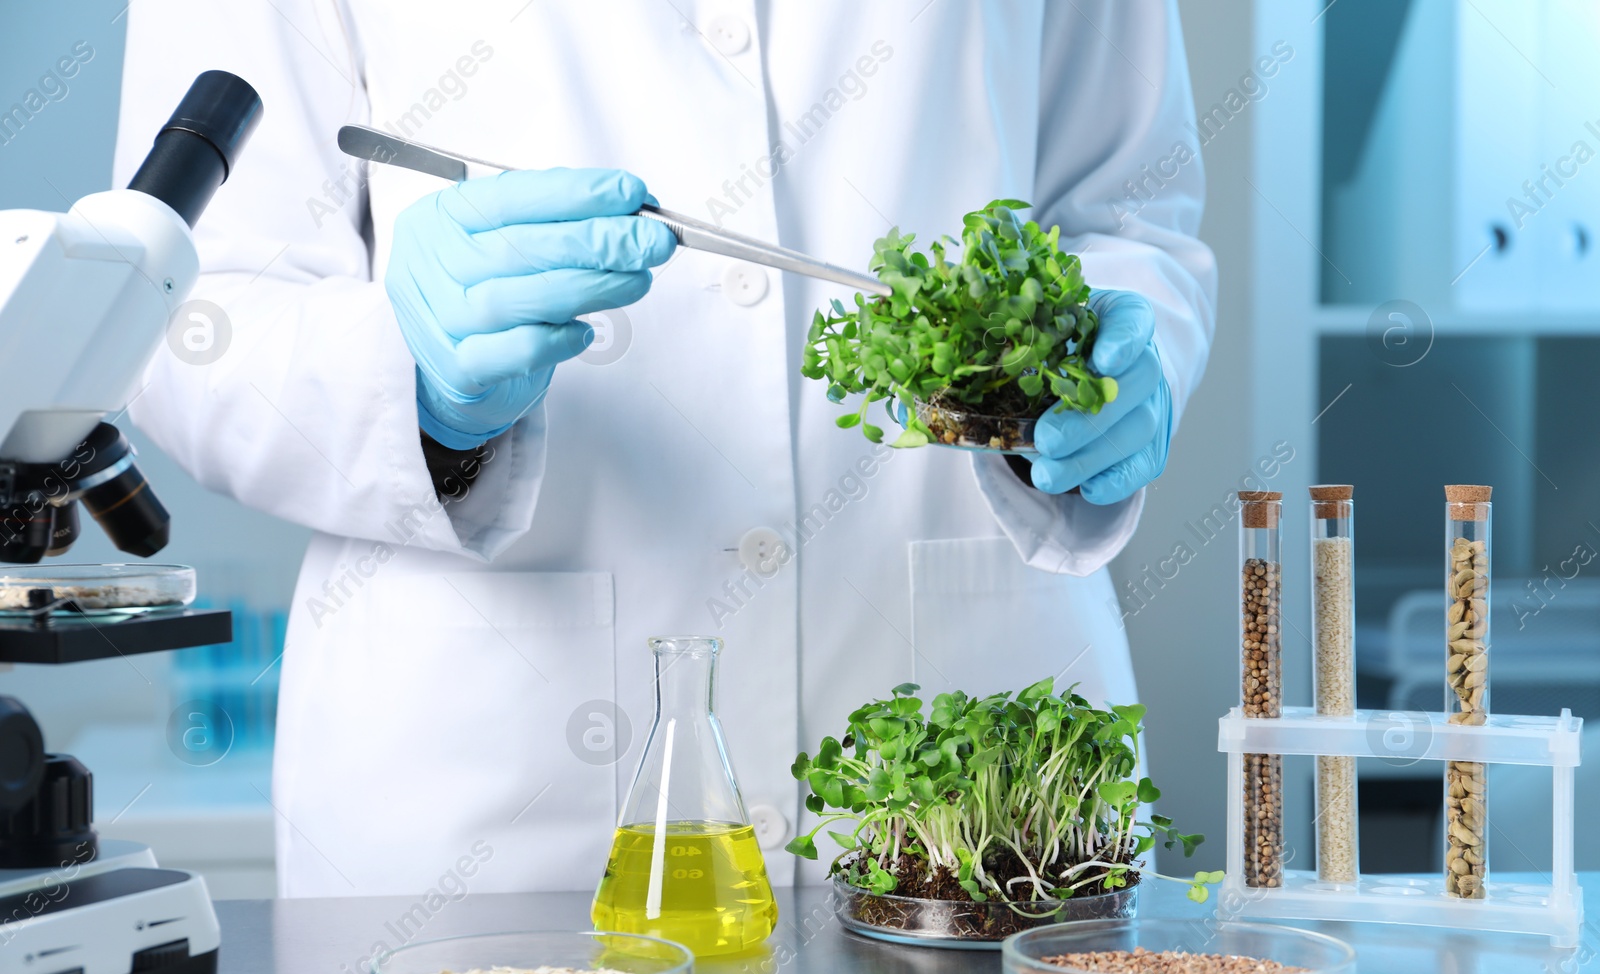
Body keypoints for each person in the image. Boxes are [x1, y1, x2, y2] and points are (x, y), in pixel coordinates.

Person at [114, 1, 1216, 896]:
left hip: (964, 743)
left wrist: (1104, 358)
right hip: (494, 795)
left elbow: (1126, 214)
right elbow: (182, 297)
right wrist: (415, 387)